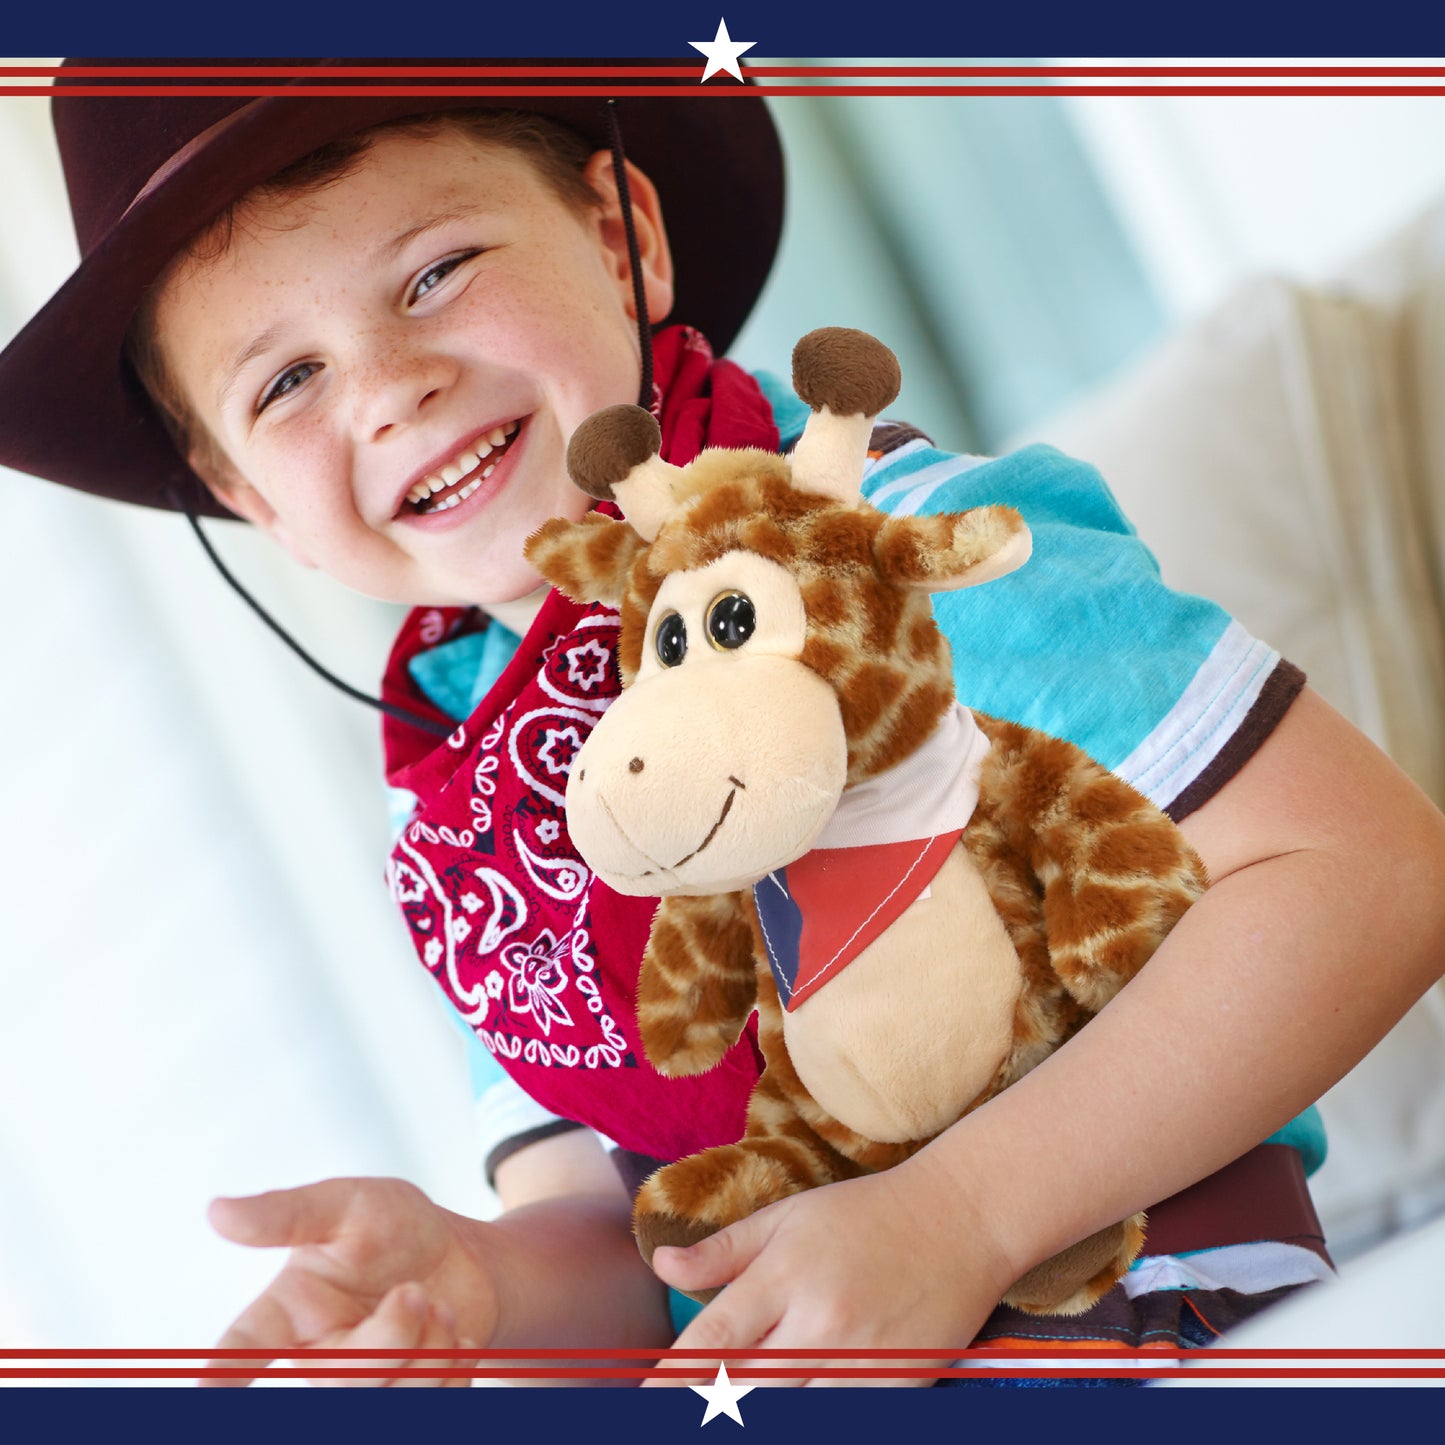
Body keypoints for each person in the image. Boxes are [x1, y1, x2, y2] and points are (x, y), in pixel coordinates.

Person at [2, 56, 1443, 1387]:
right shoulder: (457, 813)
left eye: (435, 272)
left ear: (621, 237)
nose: (388, 390)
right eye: (287, 380)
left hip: (1145, 1324)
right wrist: (486, 1281)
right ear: (248, 498)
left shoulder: (895, 551)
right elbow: (626, 1251)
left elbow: (1370, 871)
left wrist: (955, 1214)